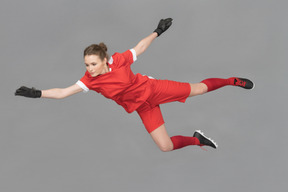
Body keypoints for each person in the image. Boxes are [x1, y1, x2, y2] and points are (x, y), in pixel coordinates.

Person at [15, 18, 254, 152]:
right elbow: (63, 92)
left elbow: (139, 47)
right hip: (143, 106)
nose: (88, 69)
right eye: (86, 64)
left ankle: (231, 81)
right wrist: (38, 93)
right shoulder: (89, 81)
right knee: (166, 146)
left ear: (104, 60)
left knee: (200, 89)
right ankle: (196, 139)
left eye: (92, 64)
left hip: (154, 89)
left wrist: (157, 31)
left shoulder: (118, 61)